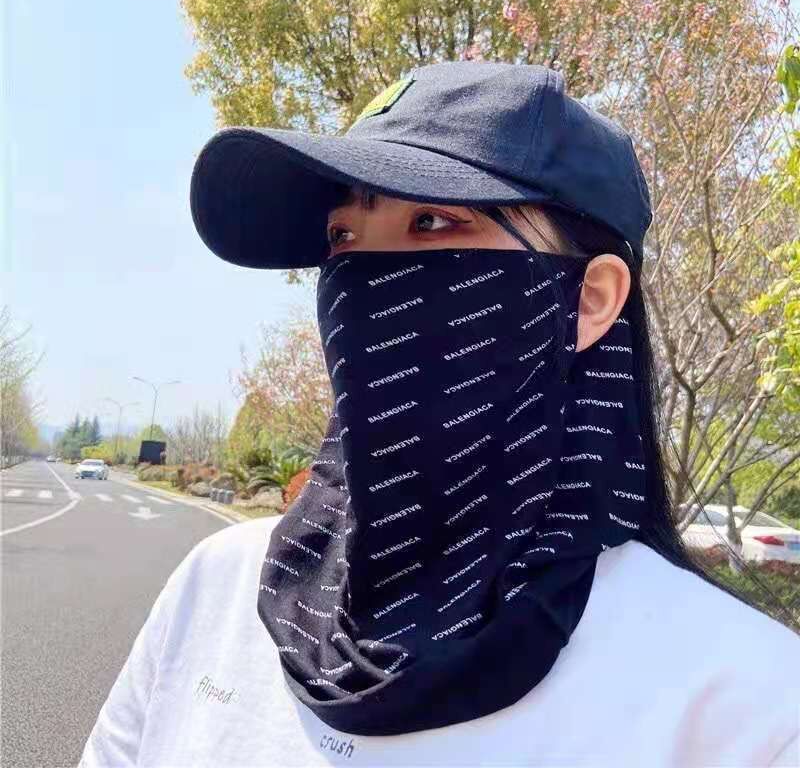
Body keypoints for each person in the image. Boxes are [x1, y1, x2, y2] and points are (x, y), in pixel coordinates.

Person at [79, 61, 800, 767]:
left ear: (589, 300)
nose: (364, 281)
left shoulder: (749, 710)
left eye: (430, 221)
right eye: (343, 237)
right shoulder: (217, 587)